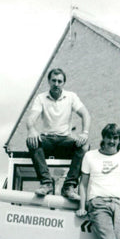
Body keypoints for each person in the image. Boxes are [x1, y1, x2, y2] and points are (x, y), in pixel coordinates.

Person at [25, 68, 91, 200]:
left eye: (59, 81)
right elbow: (31, 117)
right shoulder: (41, 98)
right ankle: (46, 183)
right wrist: (32, 130)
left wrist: (84, 133)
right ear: (49, 81)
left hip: (65, 139)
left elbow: (85, 114)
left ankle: (69, 186)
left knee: (84, 146)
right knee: (31, 141)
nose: (56, 84)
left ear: (63, 83)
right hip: (47, 139)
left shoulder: (71, 97)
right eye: (54, 81)